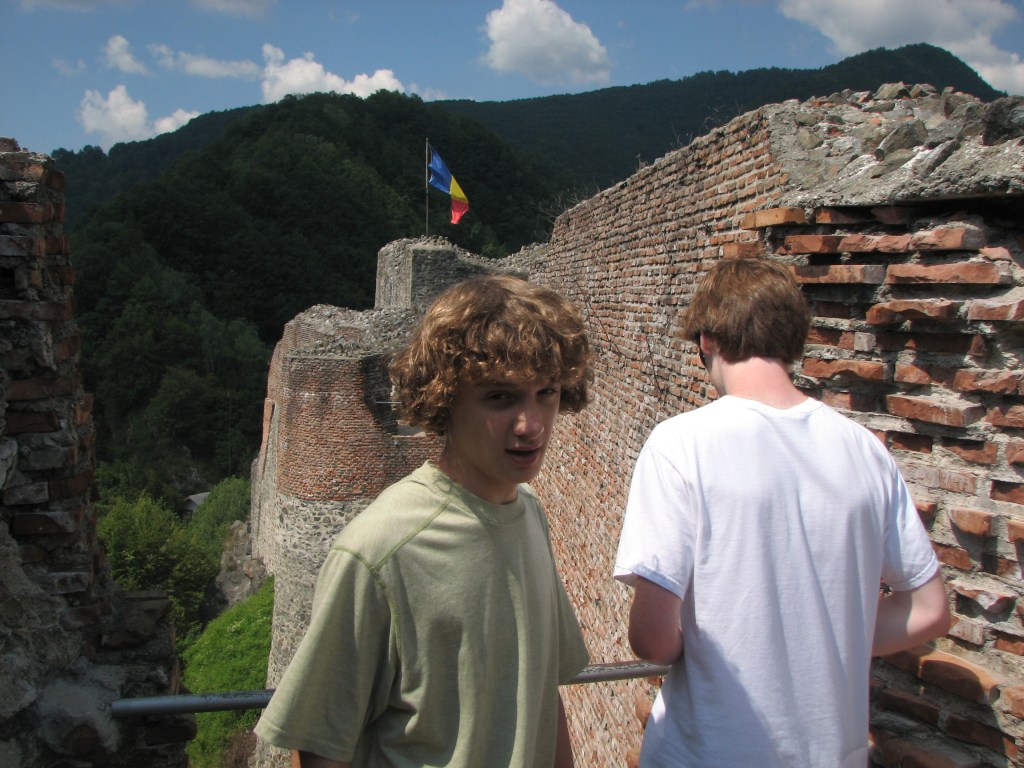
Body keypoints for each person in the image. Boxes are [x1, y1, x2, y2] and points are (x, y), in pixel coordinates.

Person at [614, 258, 950, 767]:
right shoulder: (864, 449)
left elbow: (651, 640)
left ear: (707, 340)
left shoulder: (681, 444)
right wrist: (830, 634)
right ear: (793, 341)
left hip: (711, 752)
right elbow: (929, 610)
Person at [254, 273, 594, 768]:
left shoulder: (530, 516)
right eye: (500, 397)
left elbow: (541, 698)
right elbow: (321, 747)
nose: (532, 424)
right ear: (445, 395)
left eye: (547, 392)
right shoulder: (380, 549)